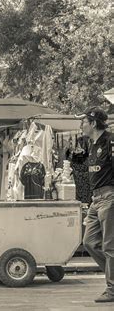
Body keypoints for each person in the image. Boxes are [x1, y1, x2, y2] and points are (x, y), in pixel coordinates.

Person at [77, 107, 114, 303]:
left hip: (109, 197)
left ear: (93, 123)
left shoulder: (110, 141)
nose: (81, 125)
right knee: (89, 242)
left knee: (110, 246)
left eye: (83, 121)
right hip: (95, 200)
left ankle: (112, 290)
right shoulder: (91, 145)